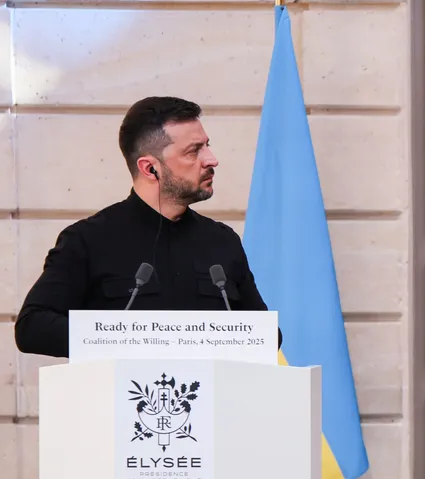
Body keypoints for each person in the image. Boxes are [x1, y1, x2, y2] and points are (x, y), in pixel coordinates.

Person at [15, 96, 275, 358]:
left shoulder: (222, 241)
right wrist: (134, 339)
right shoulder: (88, 240)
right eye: (193, 151)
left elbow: (267, 336)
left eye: (207, 146)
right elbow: (32, 326)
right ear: (150, 169)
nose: (211, 160)